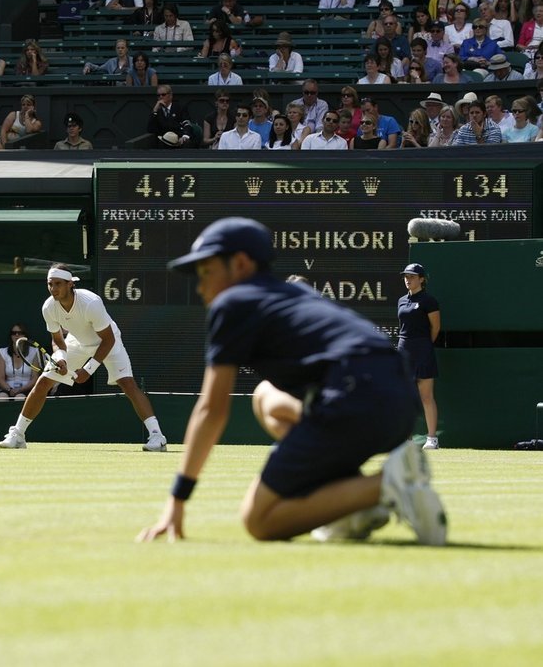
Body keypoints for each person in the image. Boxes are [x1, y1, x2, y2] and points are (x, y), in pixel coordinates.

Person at [137, 217, 446, 547]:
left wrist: (177, 500)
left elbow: (211, 408)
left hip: (354, 396)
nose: (200, 286)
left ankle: (386, 485)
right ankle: (353, 505)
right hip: (398, 398)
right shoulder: (296, 292)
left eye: (206, 271)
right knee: (264, 397)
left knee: (259, 521)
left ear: (240, 263)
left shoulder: (233, 302)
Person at [0, 264, 167, 452]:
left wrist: (88, 370)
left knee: (127, 383)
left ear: (70, 284)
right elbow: (57, 340)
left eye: (58, 284)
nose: (53, 288)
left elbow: (108, 339)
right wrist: (60, 357)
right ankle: (18, 434)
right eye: (50, 284)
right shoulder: (49, 307)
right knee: (44, 382)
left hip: (108, 341)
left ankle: (157, 437)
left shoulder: (90, 303)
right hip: (77, 342)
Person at [395, 262, 442, 451]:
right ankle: (407, 440)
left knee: (426, 396)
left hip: (422, 349)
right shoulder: (401, 301)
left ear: (422, 279)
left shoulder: (429, 301)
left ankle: (432, 439)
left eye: (412, 277)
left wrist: (423, 345)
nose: (408, 280)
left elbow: (435, 328)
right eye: (406, 276)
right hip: (403, 349)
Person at [0, 323, 42, 401]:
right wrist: (10, 389)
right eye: (13, 333)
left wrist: (20, 390)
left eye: (20, 333)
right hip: (7, 389)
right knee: (1, 397)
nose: (16, 335)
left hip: (27, 389)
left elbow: (35, 377)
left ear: (25, 335)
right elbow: (0, 378)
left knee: (19, 398)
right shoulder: (2, 352)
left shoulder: (34, 352)